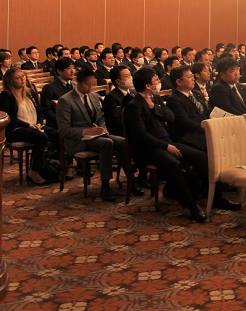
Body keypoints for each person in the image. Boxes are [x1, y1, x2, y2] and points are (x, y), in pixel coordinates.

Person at [123, 68, 210, 223]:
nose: (159, 82)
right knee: (172, 163)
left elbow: (171, 117)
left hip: (166, 142)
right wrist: (165, 146)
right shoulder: (134, 106)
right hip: (147, 149)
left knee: (201, 156)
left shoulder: (155, 98)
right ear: (147, 85)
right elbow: (141, 136)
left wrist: (154, 108)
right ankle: (190, 205)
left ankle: (210, 193)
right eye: (156, 80)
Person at [56, 68, 128, 201]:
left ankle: (130, 178)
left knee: (122, 141)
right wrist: (86, 131)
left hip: (96, 135)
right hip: (78, 140)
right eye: (89, 85)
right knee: (107, 143)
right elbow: (64, 129)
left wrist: (103, 129)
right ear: (79, 83)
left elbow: (100, 118)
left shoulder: (94, 96)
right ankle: (105, 185)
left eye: (94, 84)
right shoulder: (65, 100)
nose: (92, 88)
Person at [0, 68, 49, 185]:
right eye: (18, 78)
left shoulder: (30, 92)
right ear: (10, 81)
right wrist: (27, 125)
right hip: (15, 129)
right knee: (41, 137)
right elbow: (8, 118)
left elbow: (40, 112)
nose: (22, 79)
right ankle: (34, 171)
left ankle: (52, 168)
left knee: (56, 133)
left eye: (23, 76)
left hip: (34, 126)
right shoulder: (6, 95)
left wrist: (39, 123)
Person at [40, 58, 76, 130]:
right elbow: (46, 110)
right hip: (57, 125)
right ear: (59, 71)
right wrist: (63, 121)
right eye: (69, 68)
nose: (72, 71)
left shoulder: (75, 86)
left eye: (73, 68)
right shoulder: (49, 88)